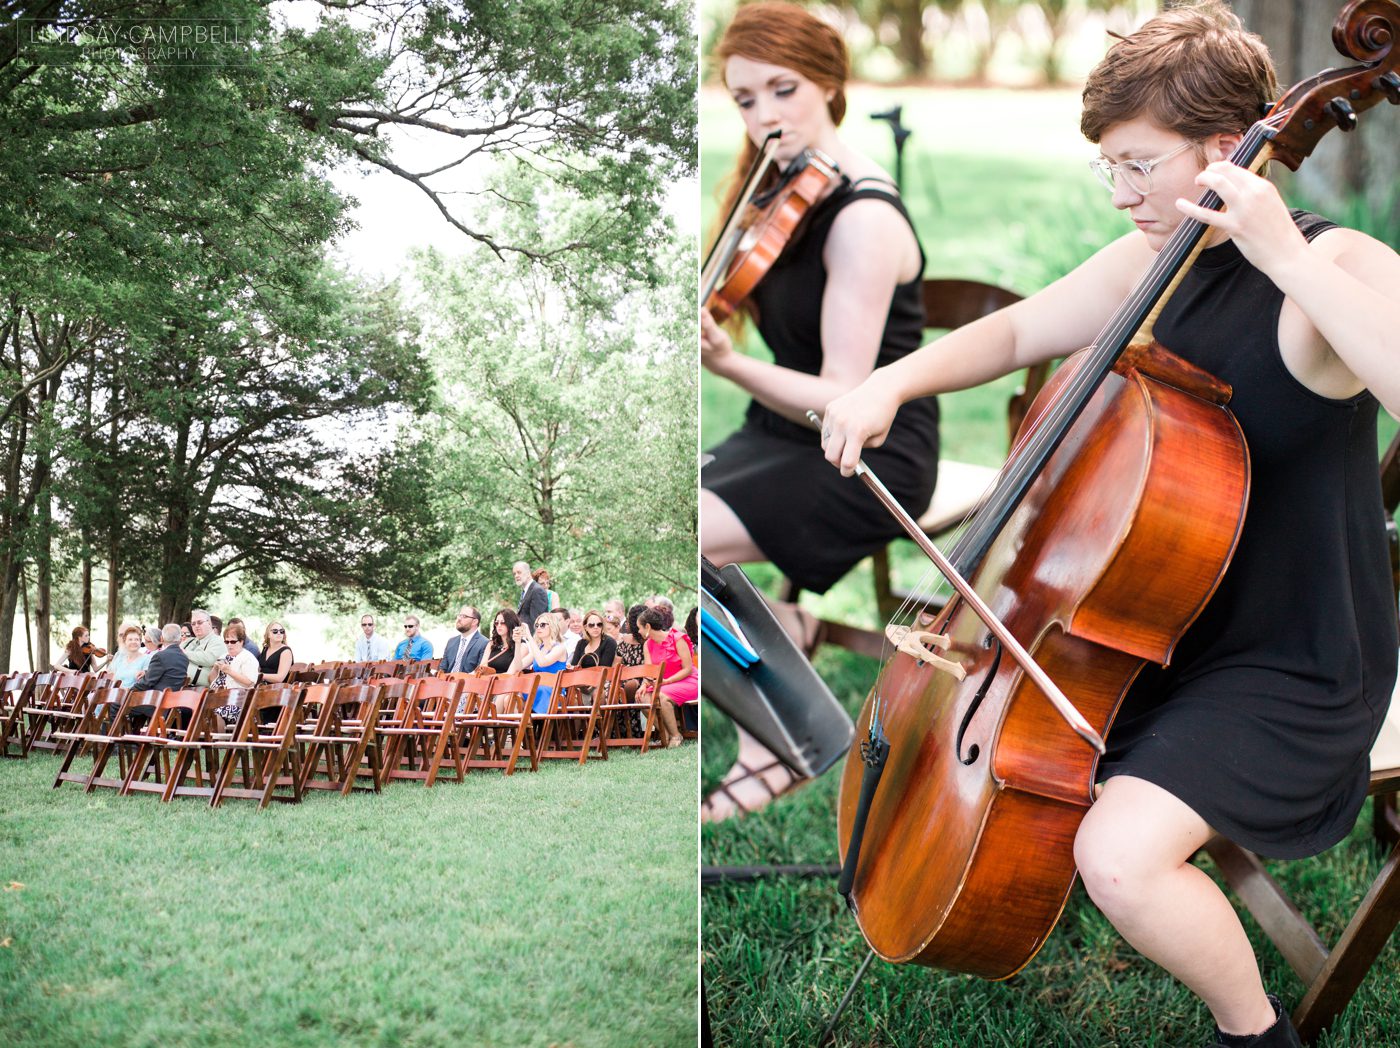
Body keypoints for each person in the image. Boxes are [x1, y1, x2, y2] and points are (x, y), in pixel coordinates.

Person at [819, 5, 1400, 1044]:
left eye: (1137, 164)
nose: (1121, 193)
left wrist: (1282, 255)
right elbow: (1013, 329)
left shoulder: (1332, 268)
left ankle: (1256, 1030)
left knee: (1115, 856)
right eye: (1108, 170)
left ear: (1224, 153)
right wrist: (885, 386)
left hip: (1292, 658)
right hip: (1149, 630)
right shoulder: (1152, 264)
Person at [700, 0, 935, 822]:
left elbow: (845, 390)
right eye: (745, 99)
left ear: (829, 84)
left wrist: (727, 363)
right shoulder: (781, 191)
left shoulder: (862, 216)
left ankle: (783, 737)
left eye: (782, 90)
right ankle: (782, 636)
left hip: (862, 449)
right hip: (783, 433)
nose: (765, 116)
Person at [636, 607, 695, 749]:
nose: (638, 631)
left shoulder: (677, 638)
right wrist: (644, 685)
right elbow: (649, 671)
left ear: (648, 627)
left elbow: (687, 669)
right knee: (642, 698)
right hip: (662, 683)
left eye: (639, 627)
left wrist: (667, 681)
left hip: (687, 680)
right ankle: (666, 734)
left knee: (662, 696)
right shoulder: (647, 645)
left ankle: (676, 735)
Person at [511, 612, 570, 714]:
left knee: (531, 691)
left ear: (552, 625)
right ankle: (520, 728)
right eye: (537, 625)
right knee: (511, 697)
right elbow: (518, 667)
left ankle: (526, 726)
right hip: (536, 688)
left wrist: (529, 636)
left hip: (552, 691)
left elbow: (543, 662)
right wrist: (517, 643)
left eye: (542, 625)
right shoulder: (538, 648)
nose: (538, 628)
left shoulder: (560, 648)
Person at [212, 625, 261, 726]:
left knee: (215, 712)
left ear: (241, 642)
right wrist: (215, 668)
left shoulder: (248, 658)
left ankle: (219, 740)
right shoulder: (223, 656)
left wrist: (229, 671)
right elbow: (211, 680)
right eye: (227, 641)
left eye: (233, 641)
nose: (229, 645)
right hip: (219, 697)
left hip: (239, 701)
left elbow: (249, 682)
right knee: (198, 709)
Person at [440, 606, 487, 675]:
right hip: (447, 682)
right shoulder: (451, 642)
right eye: (459, 615)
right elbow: (442, 669)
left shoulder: (484, 643)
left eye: (464, 616)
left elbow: (480, 673)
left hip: (468, 683)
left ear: (474, 622)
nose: (459, 619)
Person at [181, 609, 222, 686]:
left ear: (209, 623)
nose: (196, 626)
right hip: (179, 684)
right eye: (193, 624)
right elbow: (176, 653)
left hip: (201, 691)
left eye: (200, 622)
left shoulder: (218, 641)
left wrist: (184, 653)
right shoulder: (189, 641)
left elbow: (209, 659)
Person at [483, 609, 524, 674]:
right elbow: (483, 666)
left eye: (503, 622)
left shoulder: (521, 645)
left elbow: (512, 672)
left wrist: (517, 643)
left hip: (507, 682)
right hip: (488, 681)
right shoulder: (492, 644)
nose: (499, 625)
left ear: (510, 623)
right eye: (496, 623)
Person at [514, 561, 550, 626]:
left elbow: (537, 622)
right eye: (514, 574)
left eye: (519, 572)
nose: (516, 576)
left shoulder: (537, 590)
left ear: (528, 573)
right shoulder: (525, 591)